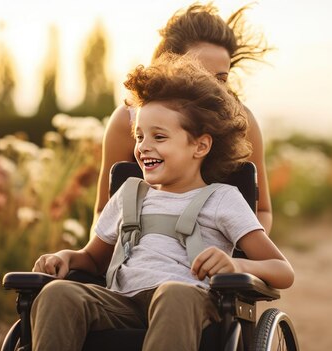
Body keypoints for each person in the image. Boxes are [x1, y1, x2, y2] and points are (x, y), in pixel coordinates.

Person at [30, 54, 294, 351]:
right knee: (58, 294)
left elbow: (282, 271)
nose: (143, 147)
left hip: (191, 303)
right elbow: (92, 259)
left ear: (200, 145)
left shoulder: (222, 199)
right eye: (139, 136)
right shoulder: (128, 195)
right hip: (122, 304)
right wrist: (67, 257)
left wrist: (235, 264)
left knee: (174, 294)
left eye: (159, 136)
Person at [84, 2, 274, 234]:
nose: (213, 87)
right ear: (168, 69)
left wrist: (238, 254)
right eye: (200, 74)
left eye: (221, 78)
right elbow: (104, 210)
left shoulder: (242, 123)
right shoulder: (127, 120)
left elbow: (261, 210)